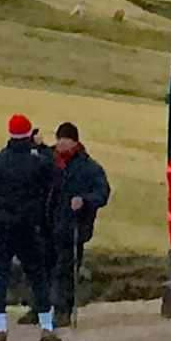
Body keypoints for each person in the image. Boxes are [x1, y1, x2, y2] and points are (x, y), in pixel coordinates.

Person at [0, 113, 60, 341]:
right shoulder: (38, 162)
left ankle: (0, 328)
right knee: (37, 273)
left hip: (1, 224)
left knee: (0, 274)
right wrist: (41, 147)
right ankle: (46, 326)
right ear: (29, 135)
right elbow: (52, 170)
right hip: (27, 225)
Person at [45, 122, 111, 328]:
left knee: (65, 269)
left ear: (75, 141)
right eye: (59, 138)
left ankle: (63, 310)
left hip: (73, 226)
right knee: (45, 267)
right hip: (48, 224)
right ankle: (42, 307)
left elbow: (102, 193)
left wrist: (84, 200)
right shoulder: (48, 161)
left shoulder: (89, 168)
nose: (62, 143)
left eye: (66, 139)